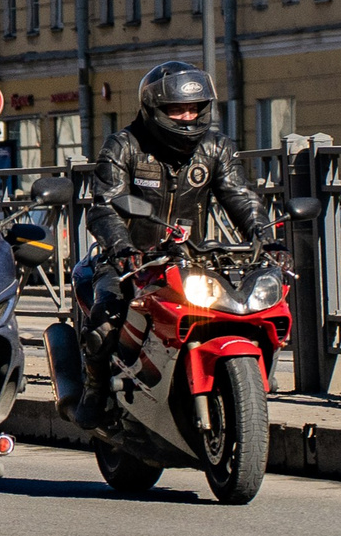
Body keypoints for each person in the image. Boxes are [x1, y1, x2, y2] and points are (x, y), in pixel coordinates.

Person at [74, 61, 277, 421]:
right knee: (106, 321)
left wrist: (267, 239)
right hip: (129, 260)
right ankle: (96, 390)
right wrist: (122, 248)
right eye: (176, 109)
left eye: (195, 108)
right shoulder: (124, 146)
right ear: (154, 110)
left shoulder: (216, 148)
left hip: (191, 259)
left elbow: (241, 197)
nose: (187, 117)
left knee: (244, 309)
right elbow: (104, 206)